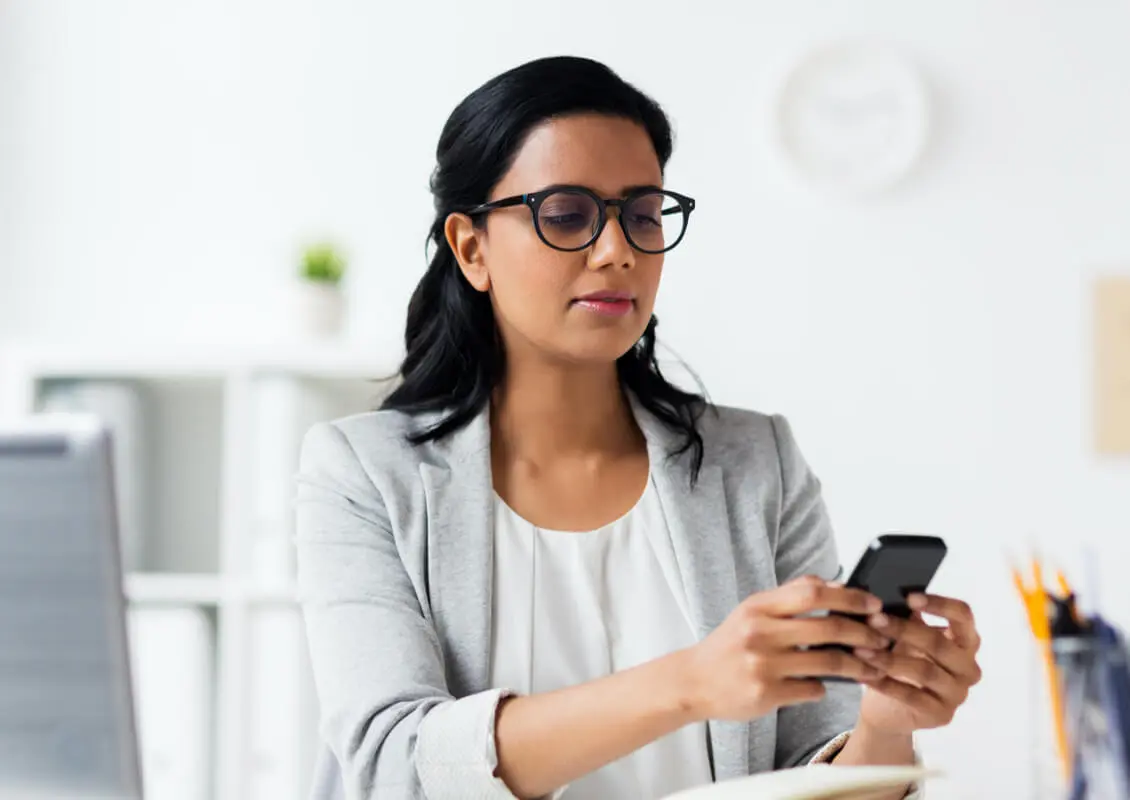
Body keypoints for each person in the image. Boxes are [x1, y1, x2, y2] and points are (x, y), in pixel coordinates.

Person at [294, 55, 982, 800]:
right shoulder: (363, 474)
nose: (618, 249)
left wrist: (885, 726)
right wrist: (689, 683)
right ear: (471, 248)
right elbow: (395, 767)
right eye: (566, 215)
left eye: (644, 214)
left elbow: (818, 777)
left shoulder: (758, 465)